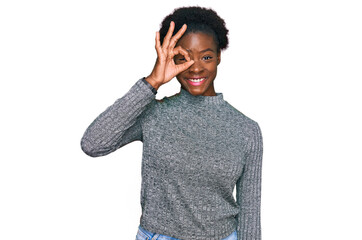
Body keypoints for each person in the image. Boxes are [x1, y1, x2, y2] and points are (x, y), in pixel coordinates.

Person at [81, 6, 263, 240]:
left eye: (206, 57)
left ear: (219, 57)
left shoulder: (247, 130)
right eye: (184, 58)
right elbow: (93, 143)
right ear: (171, 60)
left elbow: (250, 215)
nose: (196, 68)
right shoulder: (153, 114)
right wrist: (152, 81)